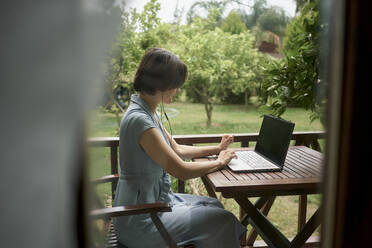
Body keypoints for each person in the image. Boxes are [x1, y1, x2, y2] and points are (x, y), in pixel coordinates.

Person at [113, 48, 246, 248]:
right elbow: (181, 171)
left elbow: (176, 149)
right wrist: (220, 162)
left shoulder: (147, 111)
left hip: (152, 203)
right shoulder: (140, 121)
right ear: (162, 84)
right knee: (223, 219)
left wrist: (217, 149)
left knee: (214, 204)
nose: (178, 90)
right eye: (176, 85)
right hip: (140, 219)